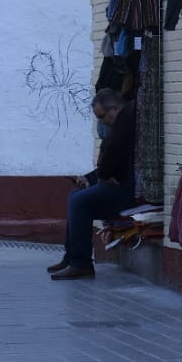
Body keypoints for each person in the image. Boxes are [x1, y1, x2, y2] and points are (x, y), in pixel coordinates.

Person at [48, 88, 136, 281]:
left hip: (126, 190)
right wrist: (90, 178)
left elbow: (110, 161)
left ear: (114, 108)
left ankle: (81, 263)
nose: (102, 122)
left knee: (79, 201)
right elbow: (106, 167)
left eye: (102, 116)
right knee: (75, 197)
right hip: (118, 182)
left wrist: (102, 175)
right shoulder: (123, 120)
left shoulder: (125, 119)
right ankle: (72, 257)